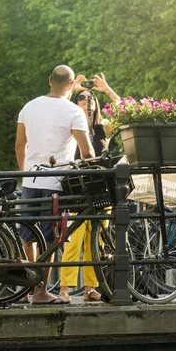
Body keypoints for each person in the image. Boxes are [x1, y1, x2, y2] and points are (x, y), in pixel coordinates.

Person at [15, 64, 95, 304]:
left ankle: (27, 288)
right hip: (57, 182)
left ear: (50, 80)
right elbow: (87, 152)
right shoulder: (73, 112)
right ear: (71, 85)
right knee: (50, 237)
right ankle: (41, 291)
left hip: (31, 179)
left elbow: (20, 146)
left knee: (28, 235)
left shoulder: (29, 107)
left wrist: (25, 173)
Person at [58, 73, 120, 304]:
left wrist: (107, 90)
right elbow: (58, 106)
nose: (87, 100)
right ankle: (64, 289)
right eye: (82, 98)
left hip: (99, 189)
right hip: (77, 188)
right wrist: (73, 90)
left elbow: (126, 112)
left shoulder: (104, 129)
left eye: (91, 97)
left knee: (97, 241)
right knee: (73, 240)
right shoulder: (70, 125)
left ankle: (90, 289)